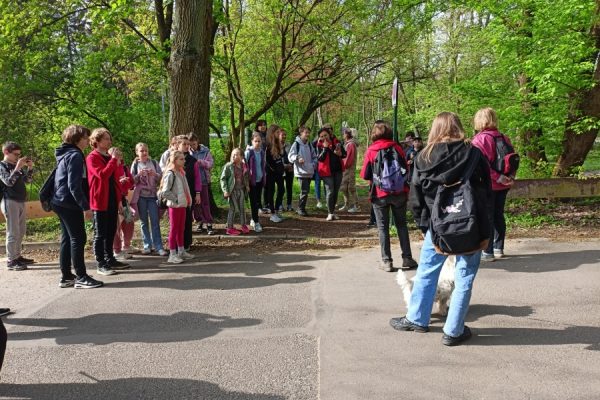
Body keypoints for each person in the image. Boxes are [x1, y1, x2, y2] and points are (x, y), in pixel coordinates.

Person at [390, 112, 491, 346]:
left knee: (427, 271)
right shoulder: (474, 154)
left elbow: (416, 197)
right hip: (471, 225)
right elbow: (487, 192)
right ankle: (454, 330)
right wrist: (487, 227)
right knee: (464, 277)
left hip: (437, 226)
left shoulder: (423, 157)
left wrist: (424, 225)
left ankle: (417, 318)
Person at [360, 121, 418, 271]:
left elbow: (364, 174)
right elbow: (406, 169)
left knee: (383, 228)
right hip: (399, 193)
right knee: (402, 225)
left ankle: (387, 261)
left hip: (380, 194)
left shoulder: (371, 150)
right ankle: (407, 258)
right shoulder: (397, 148)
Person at [51, 125, 103, 288]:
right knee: (78, 238)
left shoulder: (66, 153)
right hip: (68, 202)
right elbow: (74, 185)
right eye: (86, 138)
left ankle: (67, 276)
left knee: (68, 238)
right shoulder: (75, 155)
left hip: (60, 201)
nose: (88, 140)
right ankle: (81, 277)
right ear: (77, 139)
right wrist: (85, 207)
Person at [471, 107, 515, 262]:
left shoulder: (479, 140)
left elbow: (480, 166)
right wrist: (509, 177)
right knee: (498, 215)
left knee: (487, 217)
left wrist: (497, 178)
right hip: (504, 184)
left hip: (488, 184)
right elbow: (513, 160)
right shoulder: (504, 138)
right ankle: (499, 248)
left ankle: (487, 252)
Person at [86, 128, 129, 276]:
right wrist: (113, 160)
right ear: (97, 141)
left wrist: (118, 200)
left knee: (111, 231)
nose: (109, 141)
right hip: (99, 200)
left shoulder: (110, 158)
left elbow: (115, 180)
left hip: (112, 199)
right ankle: (101, 263)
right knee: (100, 233)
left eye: (109, 138)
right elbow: (102, 175)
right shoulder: (92, 157)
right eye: (106, 138)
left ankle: (110, 258)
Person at [0, 141, 35, 270]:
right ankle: (11, 260)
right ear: (6, 152)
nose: (18, 157)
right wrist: (18, 167)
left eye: (19, 155)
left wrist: (30, 168)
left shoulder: (16, 166)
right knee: (13, 231)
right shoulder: (2, 166)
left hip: (20, 201)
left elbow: (27, 180)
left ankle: (17, 256)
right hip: (9, 201)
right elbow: (8, 182)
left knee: (21, 230)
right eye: (15, 154)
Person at [158, 151, 194, 264]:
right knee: (174, 229)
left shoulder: (181, 172)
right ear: (174, 160)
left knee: (181, 229)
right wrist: (176, 199)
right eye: (181, 159)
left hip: (182, 205)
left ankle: (181, 251)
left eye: (184, 159)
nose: (184, 161)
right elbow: (165, 192)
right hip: (175, 206)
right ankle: (172, 254)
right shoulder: (171, 174)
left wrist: (186, 201)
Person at [131, 143, 166, 256]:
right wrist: (138, 175)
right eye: (142, 151)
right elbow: (131, 180)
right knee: (143, 222)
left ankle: (159, 246)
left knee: (155, 221)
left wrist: (154, 174)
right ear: (137, 152)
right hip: (140, 196)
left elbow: (161, 178)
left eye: (146, 150)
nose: (144, 153)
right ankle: (147, 246)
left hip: (153, 196)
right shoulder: (135, 164)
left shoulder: (154, 163)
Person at [174, 135, 202, 255]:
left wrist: (197, 193)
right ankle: (176, 244)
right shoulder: (172, 159)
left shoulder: (193, 160)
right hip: (175, 195)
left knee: (187, 219)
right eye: (184, 144)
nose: (186, 146)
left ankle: (186, 243)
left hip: (188, 194)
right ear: (178, 145)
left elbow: (197, 178)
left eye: (188, 144)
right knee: (176, 221)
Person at [109, 147, 135, 262]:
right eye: (116, 155)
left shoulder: (124, 167)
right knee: (116, 226)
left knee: (129, 221)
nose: (119, 157)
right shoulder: (110, 167)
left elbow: (131, 183)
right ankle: (116, 250)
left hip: (124, 198)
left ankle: (126, 245)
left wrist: (126, 181)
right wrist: (119, 183)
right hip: (114, 200)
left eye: (120, 155)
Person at [316, 127, 346, 221]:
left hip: (338, 170)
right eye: (321, 136)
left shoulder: (337, 142)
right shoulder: (319, 145)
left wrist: (340, 154)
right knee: (330, 191)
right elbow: (320, 158)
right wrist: (325, 148)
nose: (324, 137)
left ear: (329, 134)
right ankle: (330, 213)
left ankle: (333, 212)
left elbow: (344, 154)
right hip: (326, 172)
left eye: (325, 135)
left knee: (336, 191)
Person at [287, 126, 317, 216]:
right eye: (306, 132)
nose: (308, 134)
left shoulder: (309, 144)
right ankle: (301, 209)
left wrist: (313, 164)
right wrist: (297, 158)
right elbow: (290, 156)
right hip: (301, 172)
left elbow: (314, 156)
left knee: (305, 191)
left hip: (309, 171)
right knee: (304, 191)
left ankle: (301, 208)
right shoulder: (296, 144)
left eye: (308, 133)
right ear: (301, 133)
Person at [189, 134, 215, 235]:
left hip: (203, 181)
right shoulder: (188, 152)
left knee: (205, 202)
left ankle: (209, 223)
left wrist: (202, 162)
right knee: (196, 204)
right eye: (191, 145)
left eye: (194, 144)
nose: (193, 147)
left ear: (197, 142)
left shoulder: (205, 151)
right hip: (192, 182)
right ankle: (199, 221)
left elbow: (211, 163)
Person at [220, 148, 250, 235]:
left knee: (242, 208)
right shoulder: (228, 166)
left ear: (242, 157)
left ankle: (243, 225)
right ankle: (229, 228)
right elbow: (223, 179)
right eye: (232, 154)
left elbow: (246, 177)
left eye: (236, 154)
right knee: (232, 208)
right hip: (232, 191)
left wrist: (247, 186)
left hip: (241, 190)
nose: (234, 156)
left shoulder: (244, 166)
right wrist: (225, 190)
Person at [245, 133, 266, 232]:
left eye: (259, 141)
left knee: (257, 201)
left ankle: (253, 219)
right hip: (251, 182)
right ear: (252, 142)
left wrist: (264, 177)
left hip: (260, 180)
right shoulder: (249, 152)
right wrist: (246, 181)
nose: (257, 143)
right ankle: (256, 222)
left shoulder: (262, 152)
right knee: (253, 202)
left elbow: (262, 165)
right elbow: (244, 165)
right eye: (255, 141)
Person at [265, 124, 285, 223]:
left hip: (279, 172)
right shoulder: (267, 145)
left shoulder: (278, 144)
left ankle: (276, 211)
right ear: (272, 133)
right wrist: (274, 169)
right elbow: (267, 160)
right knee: (271, 191)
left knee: (282, 190)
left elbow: (280, 157)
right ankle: (272, 213)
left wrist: (282, 168)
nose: (279, 134)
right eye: (277, 132)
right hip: (270, 173)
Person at [339, 128, 360, 213]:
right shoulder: (347, 143)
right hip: (345, 170)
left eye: (344, 133)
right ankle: (346, 204)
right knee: (344, 187)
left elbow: (349, 159)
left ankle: (356, 206)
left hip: (349, 170)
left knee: (351, 187)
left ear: (347, 134)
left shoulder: (351, 144)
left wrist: (343, 165)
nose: (343, 135)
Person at [280, 128, 295, 211]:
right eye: (282, 135)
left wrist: (291, 165)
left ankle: (289, 205)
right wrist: (284, 166)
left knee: (289, 187)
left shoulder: (289, 144)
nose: (284, 136)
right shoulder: (276, 146)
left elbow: (292, 155)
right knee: (281, 188)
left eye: (285, 135)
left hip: (289, 169)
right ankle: (280, 204)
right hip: (281, 170)